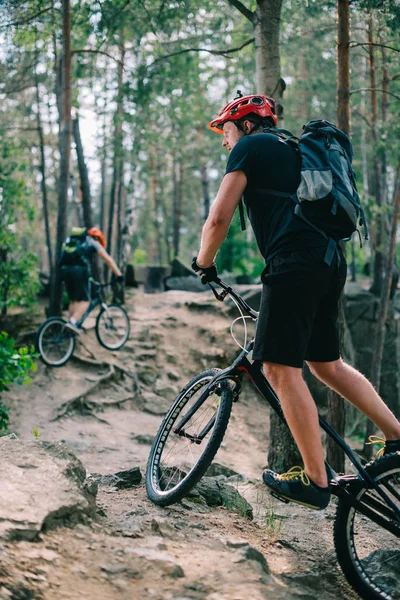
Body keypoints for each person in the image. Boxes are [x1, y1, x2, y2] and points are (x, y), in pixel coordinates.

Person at [192, 93, 400, 510]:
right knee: (327, 365)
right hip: (328, 260)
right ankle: (396, 435)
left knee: (278, 368)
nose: (224, 141)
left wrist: (204, 263)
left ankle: (315, 479)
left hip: (294, 264)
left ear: (247, 125)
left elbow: (219, 217)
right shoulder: (292, 149)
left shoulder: (251, 147)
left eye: (226, 131)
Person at [59, 227, 124, 335]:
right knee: (85, 301)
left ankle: (69, 326)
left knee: (74, 300)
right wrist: (119, 275)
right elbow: (108, 259)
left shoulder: (74, 242)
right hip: (78, 271)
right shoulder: (93, 242)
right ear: (98, 238)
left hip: (65, 270)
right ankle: (72, 322)